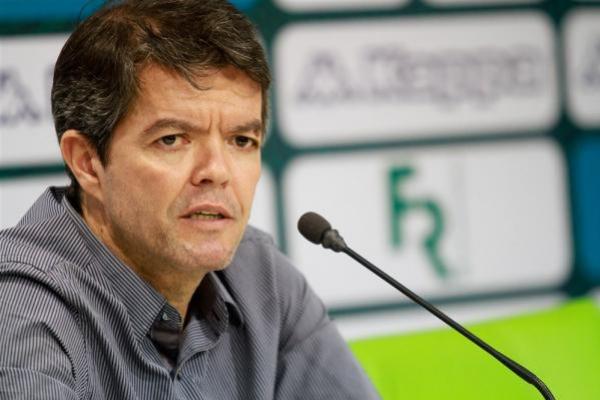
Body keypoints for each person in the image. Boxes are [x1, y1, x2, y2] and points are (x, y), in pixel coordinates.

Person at [0, 0, 380, 399]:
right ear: (87, 163)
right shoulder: (20, 310)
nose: (217, 171)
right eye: (172, 139)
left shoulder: (261, 278)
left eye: (241, 140)